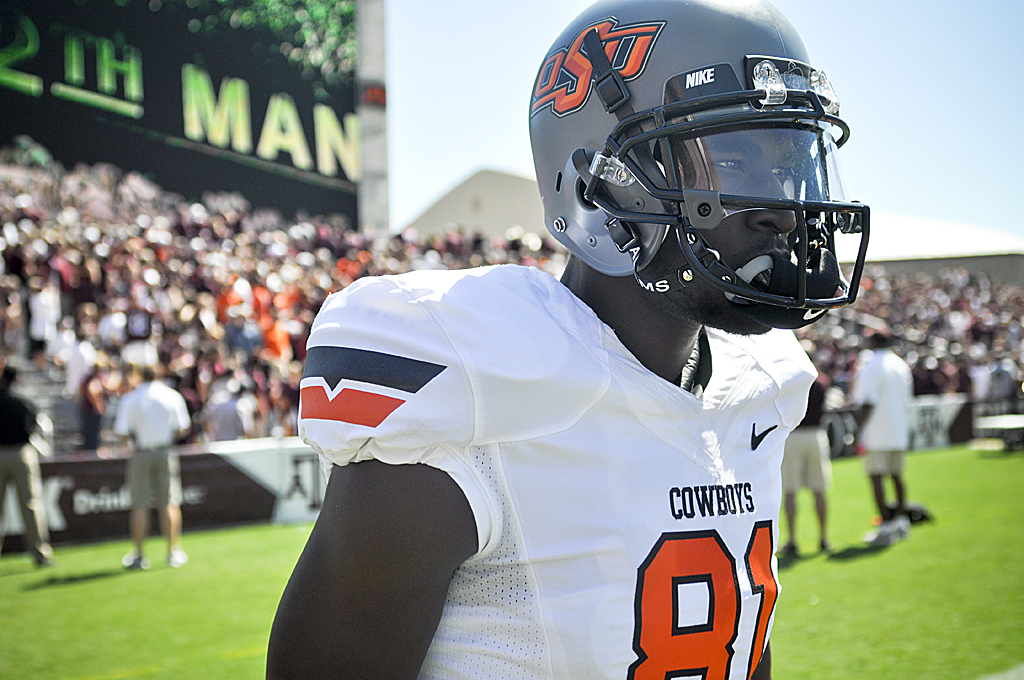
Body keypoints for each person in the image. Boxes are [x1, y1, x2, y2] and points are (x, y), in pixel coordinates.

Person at [266, 1, 870, 678]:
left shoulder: (762, 380)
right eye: (734, 157)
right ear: (596, 181)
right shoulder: (475, 377)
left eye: (791, 162)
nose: (784, 209)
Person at [113, 363, 192, 569]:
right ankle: (173, 551)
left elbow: (122, 430)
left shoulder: (131, 399)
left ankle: (139, 554)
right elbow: (182, 428)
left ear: (139, 375)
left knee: (140, 504)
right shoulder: (171, 396)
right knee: (169, 501)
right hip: (164, 451)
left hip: (141, 452)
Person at [851, 330, 914, 547]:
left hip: (876, 432)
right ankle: (901, 521)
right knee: (897, 476)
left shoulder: (871, 366)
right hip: (898, 430)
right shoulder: (901, 365)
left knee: (876, 477)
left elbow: (867, 402)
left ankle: (886, 526)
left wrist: (859, 431)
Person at [0, 365, 55, 567]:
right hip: (22, 454)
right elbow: (34, 427)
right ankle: (40, 554)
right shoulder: (23, 400)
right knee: (31, 505)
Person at [779, 368, 833, 557]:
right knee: (818, 489)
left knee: (790, 491)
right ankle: (823, 538)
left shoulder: (788, 383)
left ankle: (792, 540)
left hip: (793, 436)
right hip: (815, 435)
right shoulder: (820, 382)